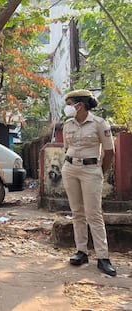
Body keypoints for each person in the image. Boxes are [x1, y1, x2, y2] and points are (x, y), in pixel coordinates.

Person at [61, 89, 116, 276]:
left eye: (70, 103)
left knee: (94, 214)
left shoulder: (99, 124)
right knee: (77, 212)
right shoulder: (67, 125)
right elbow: (66, 148)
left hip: (91, 170)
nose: (67, 107)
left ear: (80, 105)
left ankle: (103, 256)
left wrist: (98, 172)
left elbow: (109, 152)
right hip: (70, 169)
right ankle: (81, 251)